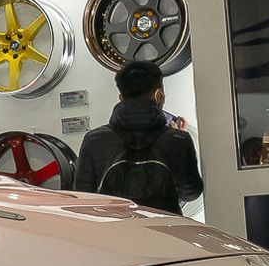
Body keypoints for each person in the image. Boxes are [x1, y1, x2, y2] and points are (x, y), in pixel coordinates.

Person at [72, 60, 203, 215]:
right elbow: (190, 194)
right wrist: (178, 139)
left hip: (115, 226)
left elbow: (84, 196)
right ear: (159, 94)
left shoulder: (94, 139)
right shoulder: (177, 139)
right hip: (164, 226)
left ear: (121, 97)